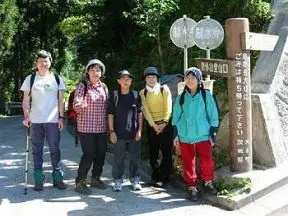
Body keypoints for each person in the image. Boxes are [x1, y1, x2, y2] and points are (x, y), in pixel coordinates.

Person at [20, 50, 67, 191]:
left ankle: (57, 178)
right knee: (36, 150)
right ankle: (38, 179)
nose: (43, 64)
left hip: (52, 120)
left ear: (50, 62)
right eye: (40, 61)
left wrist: (61, 117)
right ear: (36, 63)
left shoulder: (57, 78)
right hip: (35, 121)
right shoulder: (30, 79)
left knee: (54, 149)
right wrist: (26, 117)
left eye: (45, 61)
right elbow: (26, 100)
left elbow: (60, 100)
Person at [172, 67, 219, 202]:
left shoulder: (206, 95)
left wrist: (212, 134)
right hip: (185, 135)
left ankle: (208, 181)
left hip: (203, 134)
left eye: (193, 78)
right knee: (188, 161)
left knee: (207, 159)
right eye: (187, 78)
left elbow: (213, 116)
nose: (190, 80)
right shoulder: (181, 98)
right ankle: (192, 186)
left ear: (199, 80)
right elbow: (175, 117)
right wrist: (175, 135)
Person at [73, 59, 109, 194]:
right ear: (88, 72)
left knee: (101, 154)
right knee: (89, 154)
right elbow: (77, 102)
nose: (95, 72)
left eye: (98, 70)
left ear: (101, 73)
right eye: (92, 70)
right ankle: (80, 182)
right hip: (86, 128)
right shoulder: (83, 86)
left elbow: (107, 107)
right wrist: (79, 105)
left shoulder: (104, 87)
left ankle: (95, 178)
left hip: (101, 128)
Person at [107, 70, 143, 192]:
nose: (126, 81)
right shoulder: (114, 95)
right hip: (118, 133)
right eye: (123, 78)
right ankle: (117, 181)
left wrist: (140, 130)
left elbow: (140, 114)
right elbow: (110, 114)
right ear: (118, 81)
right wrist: (111, 131)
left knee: (135, 158)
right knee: (118, 158)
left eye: (128, 78)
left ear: (131, 81)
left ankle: (135, 179)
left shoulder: (136, 95)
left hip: (134, 132)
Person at [139, 66, 173, 188]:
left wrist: (164, 123)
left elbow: (168, 107)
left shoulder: (164, 89)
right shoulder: (143, 93)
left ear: (157, 78)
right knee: (153, 152)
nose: (151, 79)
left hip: (166, 124)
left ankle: (165, 177)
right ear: (145, 80)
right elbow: (146, 111)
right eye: (148, 77)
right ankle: (156, 176)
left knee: (166, 151)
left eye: (153, 77)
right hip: (152, 125)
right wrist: (153, 125)